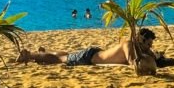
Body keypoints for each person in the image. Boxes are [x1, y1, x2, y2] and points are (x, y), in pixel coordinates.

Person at [17, 27, 158, 74]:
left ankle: (44, 51)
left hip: (95, 53)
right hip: (89, 57)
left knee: (67, 55)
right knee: (60, 60)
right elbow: (131, 62)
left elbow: (152, 56)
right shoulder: (129, 44)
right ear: (141, 40)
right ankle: (30, 55)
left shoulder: (138, 48)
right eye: (149, 44)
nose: (150, 47)